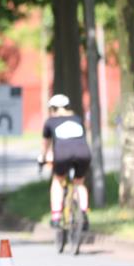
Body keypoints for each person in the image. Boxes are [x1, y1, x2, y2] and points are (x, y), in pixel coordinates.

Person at [39, 93, 92, 229]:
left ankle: (56, 217)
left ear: (52, 109)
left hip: (62, 154)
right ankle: (84, 213)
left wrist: (42, 158)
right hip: (83, 152)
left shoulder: (50, 121)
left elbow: (45, 144)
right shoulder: (77, 118)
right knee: (79, 183)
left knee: (57, 181)